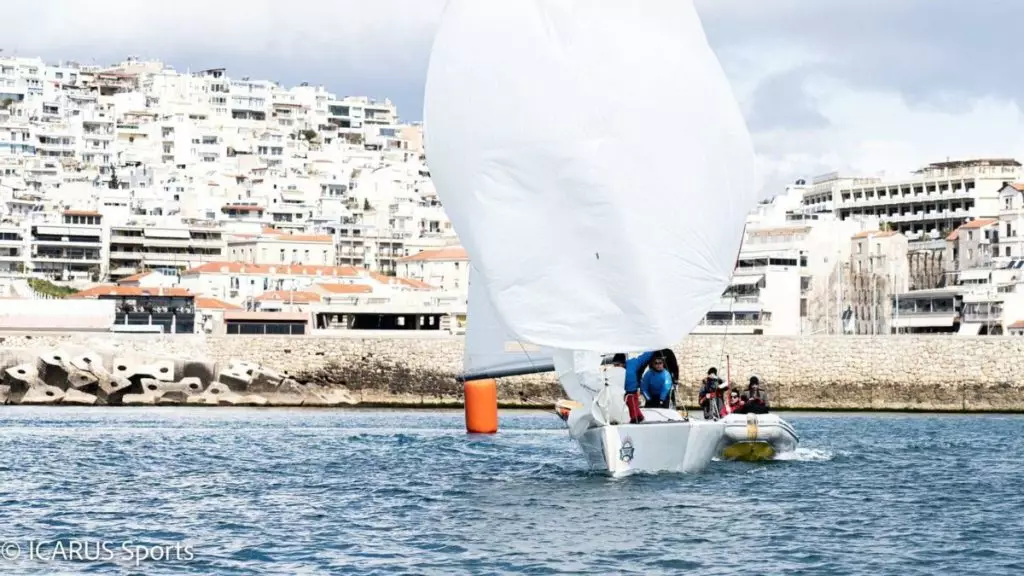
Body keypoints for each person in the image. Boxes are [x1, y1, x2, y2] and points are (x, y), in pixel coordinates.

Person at [612, 351, 655, 424]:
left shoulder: (632, 364)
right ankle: (639, 418)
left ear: (623, 363)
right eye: (614, 365)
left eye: (617, 364)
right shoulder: (616, 372)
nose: (616, 367)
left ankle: (635, 419)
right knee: (628, 405)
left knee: (632, 405)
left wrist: (652, 350)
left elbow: (642, 358)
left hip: (632, 390)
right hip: (623, 391)